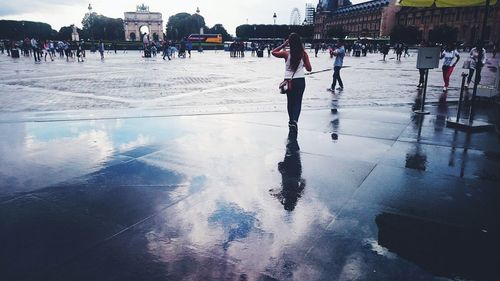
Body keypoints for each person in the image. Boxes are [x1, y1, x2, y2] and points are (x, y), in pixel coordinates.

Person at [272, 33, 312, 135]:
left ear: (289, 42)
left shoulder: (286, 54)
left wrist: (284, 45)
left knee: (290, 102)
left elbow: (273, 52)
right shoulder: (303, 54)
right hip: (300, 80)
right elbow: (309, 69)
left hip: (288, 80)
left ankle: (291, 121)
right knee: (298, 102)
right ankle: (294, 121)